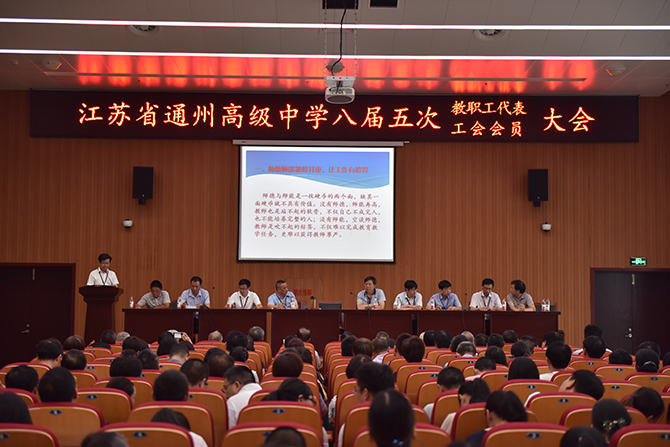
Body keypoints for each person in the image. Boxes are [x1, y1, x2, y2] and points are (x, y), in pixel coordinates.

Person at [262, 378, 328, 447]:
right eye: (312, 400)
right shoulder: (315, 430)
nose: (313, 405)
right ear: (301, 400)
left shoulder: (264, 422)